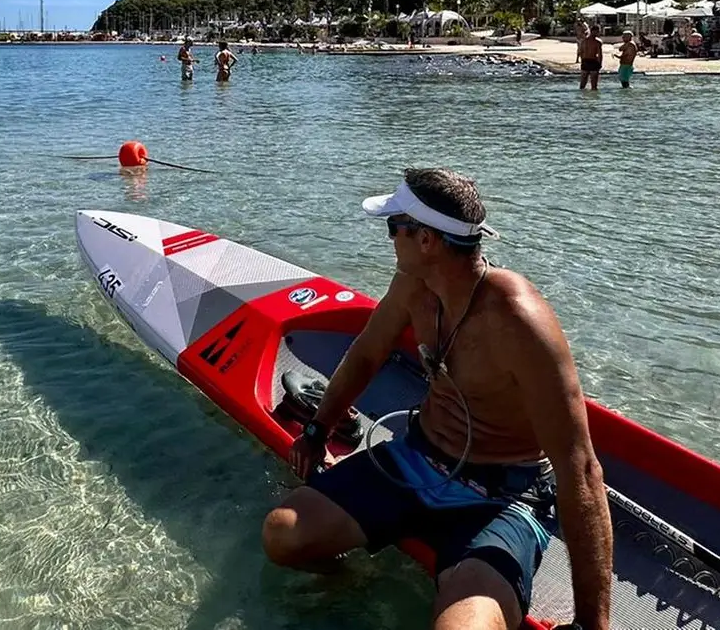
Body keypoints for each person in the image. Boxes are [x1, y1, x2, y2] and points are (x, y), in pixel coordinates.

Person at [262, 169, 612, 630]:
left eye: (394, 227)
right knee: (282, 534)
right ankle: (357, 587)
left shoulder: (518, 320)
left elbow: (580, 468)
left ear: (426, 240)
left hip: (500, 498)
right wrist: (317, 429)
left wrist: (591, 624)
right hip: (418, 460)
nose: (389, 239)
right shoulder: (413, 284)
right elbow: (367, 353)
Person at [576, 24, 603, 91]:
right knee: (594, 85)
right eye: (598, 31)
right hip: (593, 61)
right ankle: (594, 96)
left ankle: (582, 96)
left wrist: (582, 61)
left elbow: (581, 52)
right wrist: (600, 64)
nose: (598, 33)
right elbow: (600, 54)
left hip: (585, 61)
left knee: (582, 84)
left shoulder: (584, 41)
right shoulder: (598, 42)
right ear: (594, 31)